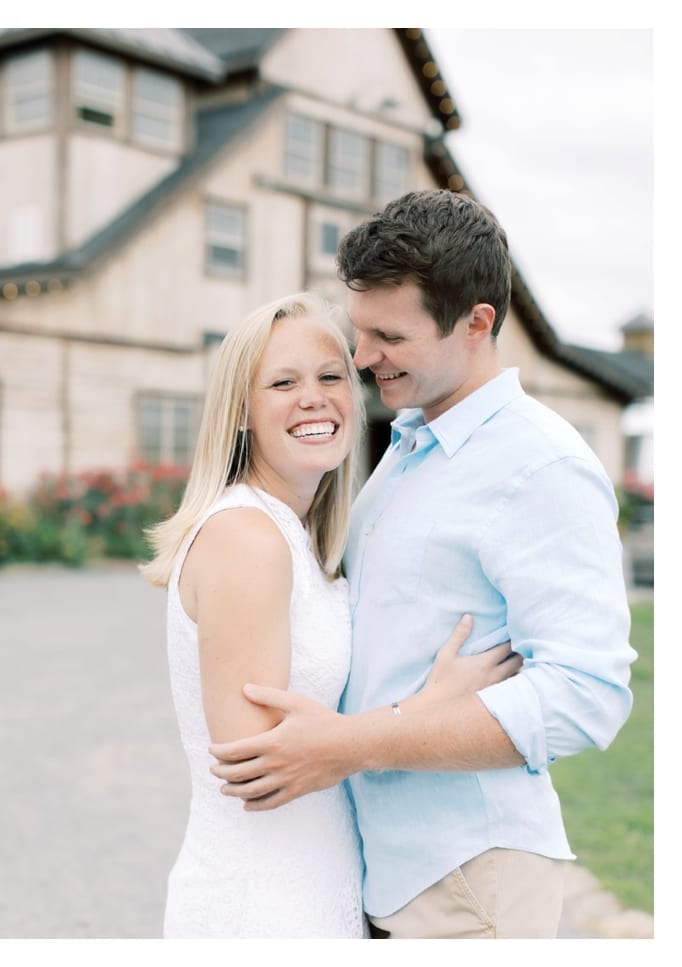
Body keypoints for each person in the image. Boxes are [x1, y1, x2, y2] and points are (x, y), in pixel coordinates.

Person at [208, 189, 637, 939]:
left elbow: (587, 691)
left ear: (477, 323)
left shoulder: (539, 466)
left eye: (389, 335)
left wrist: (360, 740)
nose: (362, 356)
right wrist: (406, 712)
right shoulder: (407, 445)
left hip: (470, 879)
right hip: (384, 872)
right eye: (359, 330)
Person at [140, 291, 519, 938]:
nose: (313, 397)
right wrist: (431, 709)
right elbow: (256, 766)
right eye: (283, 382)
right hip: (261, 903)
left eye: (330, 376)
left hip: (317, 885)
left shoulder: (297, 539)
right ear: (240, 411)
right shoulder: (247, 538)